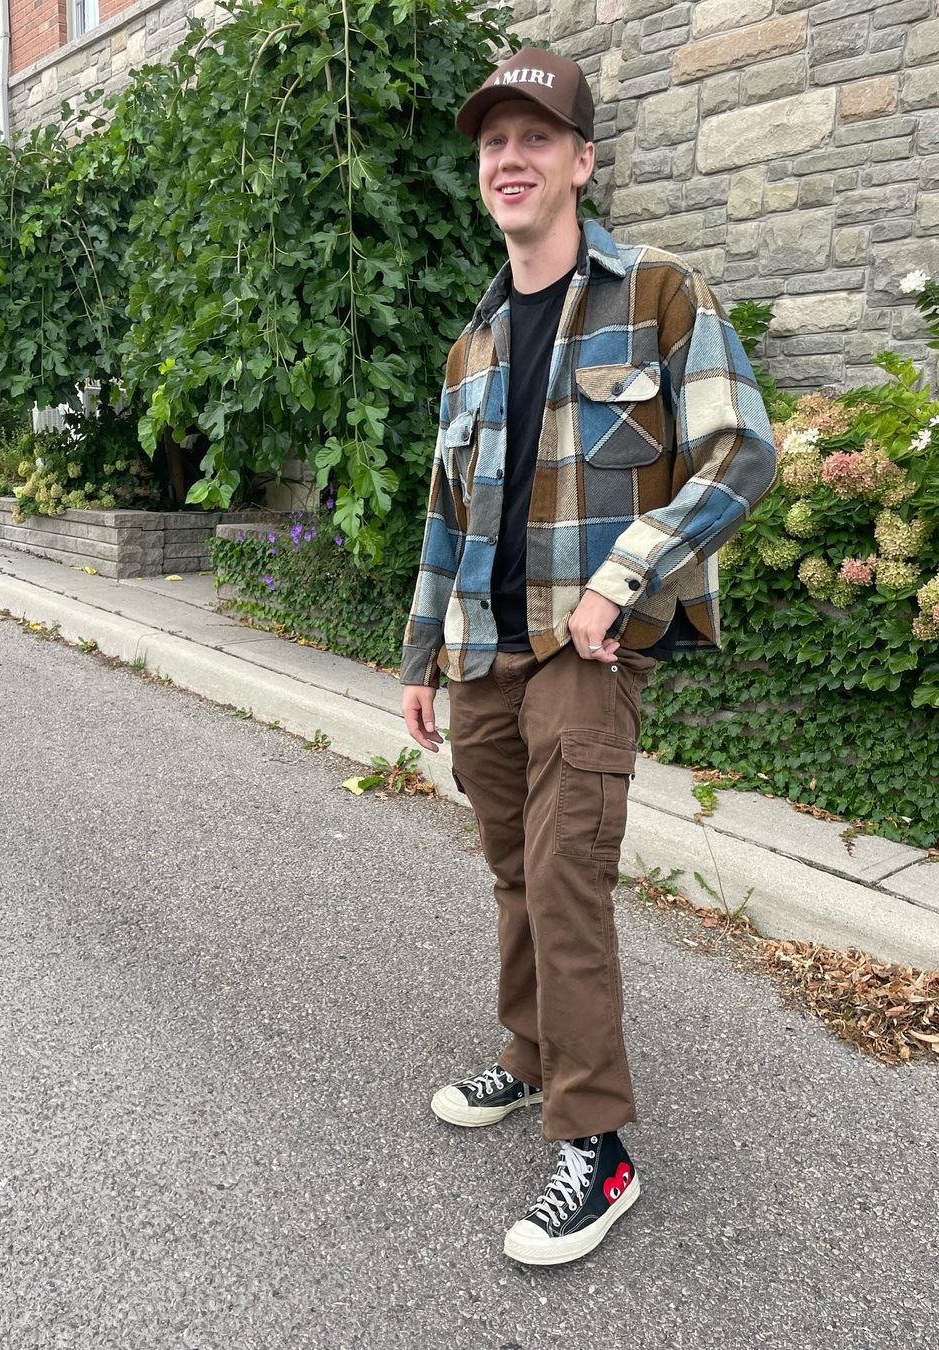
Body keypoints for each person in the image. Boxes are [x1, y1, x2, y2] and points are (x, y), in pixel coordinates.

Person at [399, 46, 777, 1266]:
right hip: (483, 650)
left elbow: (742, 452)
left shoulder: (658, 294)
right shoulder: (471, 343)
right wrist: (419, 655)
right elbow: (447, 515)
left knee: (565, 880)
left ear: (582, 161)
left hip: (588, 649)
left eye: (536, 139)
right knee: (515, 870)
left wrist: (625, 579)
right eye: (493, 143)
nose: (509, 160)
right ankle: (530, 1056)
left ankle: (599, 1144)